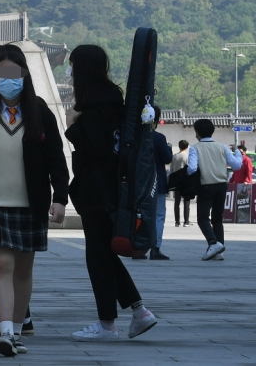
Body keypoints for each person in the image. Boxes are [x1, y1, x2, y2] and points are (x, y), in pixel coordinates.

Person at [0, 44, 69, 357]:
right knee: (1, 264)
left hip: (30, 204)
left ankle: (18, 330)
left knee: (22, 269)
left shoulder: (39, 111)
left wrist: (60, 196)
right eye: (1, 73)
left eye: (14, 73)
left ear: (24, 75)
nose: (8, 79)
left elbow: (55, 158)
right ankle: (6, 329)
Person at [65, 45, 156, 341]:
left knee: (98, 256)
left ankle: (107, 324)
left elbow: (95, 152)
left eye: (71, 65)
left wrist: (72, 126)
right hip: (112, 190)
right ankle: (139, 311)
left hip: (97, 193)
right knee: (103, 254)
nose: (68, 71)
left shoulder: (92, 109)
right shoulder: (114, 101)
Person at [188, 118, 243, 261]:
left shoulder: (195, 148)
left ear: (197, 132)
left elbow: (192, 168)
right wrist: (237, 152)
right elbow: (236, 165)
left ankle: (213, 243)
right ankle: (219, 251)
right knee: (217, 219)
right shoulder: (222, 147)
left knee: (202, 218)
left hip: (206, 185)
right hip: (221, 185)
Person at [147, 110, 173, 260]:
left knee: (141, 213)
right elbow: (167, 158)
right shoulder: (159, 138)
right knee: (158, 215)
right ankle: (155, 248)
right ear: (156, 120)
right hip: (157, 181)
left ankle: (139, 245)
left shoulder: (134, 137)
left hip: (138, 183)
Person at [171, 140, 192, 227]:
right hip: (185, 182)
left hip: (176, 182)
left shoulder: (174, 157)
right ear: (187, 147)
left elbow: (171, 170)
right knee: (186, 202)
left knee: (177, 202)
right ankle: (186, 221)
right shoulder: (187, 157)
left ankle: (177, 221)